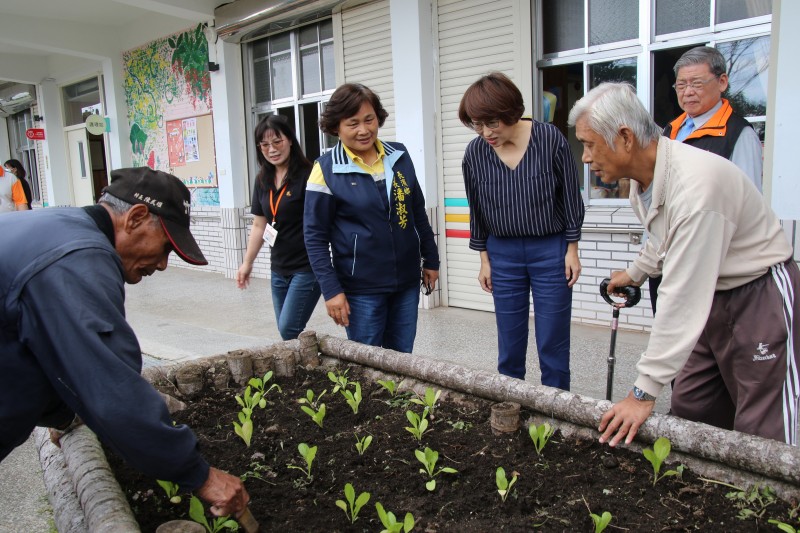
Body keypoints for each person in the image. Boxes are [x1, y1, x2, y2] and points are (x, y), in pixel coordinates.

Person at [0, 167, 250, 516]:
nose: (163, 265)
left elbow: (43, 351)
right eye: (166, 246)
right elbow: (111, 386)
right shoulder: (77, 258)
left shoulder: (61, 228)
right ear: (135, 217)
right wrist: (201, 476)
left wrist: (61, 413)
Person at [568, 82, 799, 447]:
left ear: (625, 138)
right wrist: (636, 273)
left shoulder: (695, 189)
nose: (585, 157)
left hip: (758, 295)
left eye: (590, 144)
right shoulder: (646, 179)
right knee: (694, 402)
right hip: (714, 296)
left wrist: (641, 393)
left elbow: (682, 296)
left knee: (762, 423)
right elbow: (664, 238)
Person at [458, 72, 585, 390]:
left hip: (550, 250)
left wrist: (572, 250)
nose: (486, 132)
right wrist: (484, 259)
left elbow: (570, 196)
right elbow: (477, 210)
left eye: (493, 123)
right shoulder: (475, 153)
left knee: (552, 336)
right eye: (477, 124)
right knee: (509, 337)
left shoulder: (549, 139)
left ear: (511, 112)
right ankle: (511, 400)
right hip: (503, 253)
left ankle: (556, 408)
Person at [304, 83, 439, 353]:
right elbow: (314, 237)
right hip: (361, 289)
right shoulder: (325, 170)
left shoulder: (398, 155)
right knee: (367, 366)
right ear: (336, 127)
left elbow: (417, 213)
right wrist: (331, 290)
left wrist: (431, 259)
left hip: (405, 283)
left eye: (369, 119)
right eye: (352, 123)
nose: (364, 130)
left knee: (402, 361)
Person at [648, 46, 764, 313]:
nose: (688, 92)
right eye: (681, 85)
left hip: (710, 268)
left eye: (697, 83)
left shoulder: (738, 133)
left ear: (722, 82)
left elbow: (746, 206)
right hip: (669, 261)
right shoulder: (669, 131)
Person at [236, 115, 321, 340]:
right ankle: (303, 369)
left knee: (288, 329)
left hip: (306, 268)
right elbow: (258, 225)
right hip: (278, 269)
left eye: (277, 141)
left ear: (290, 140)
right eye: (265, 145)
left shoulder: (309, 174)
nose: (272, 149)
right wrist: (247, 263)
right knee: (287, 335)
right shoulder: (262, 179)